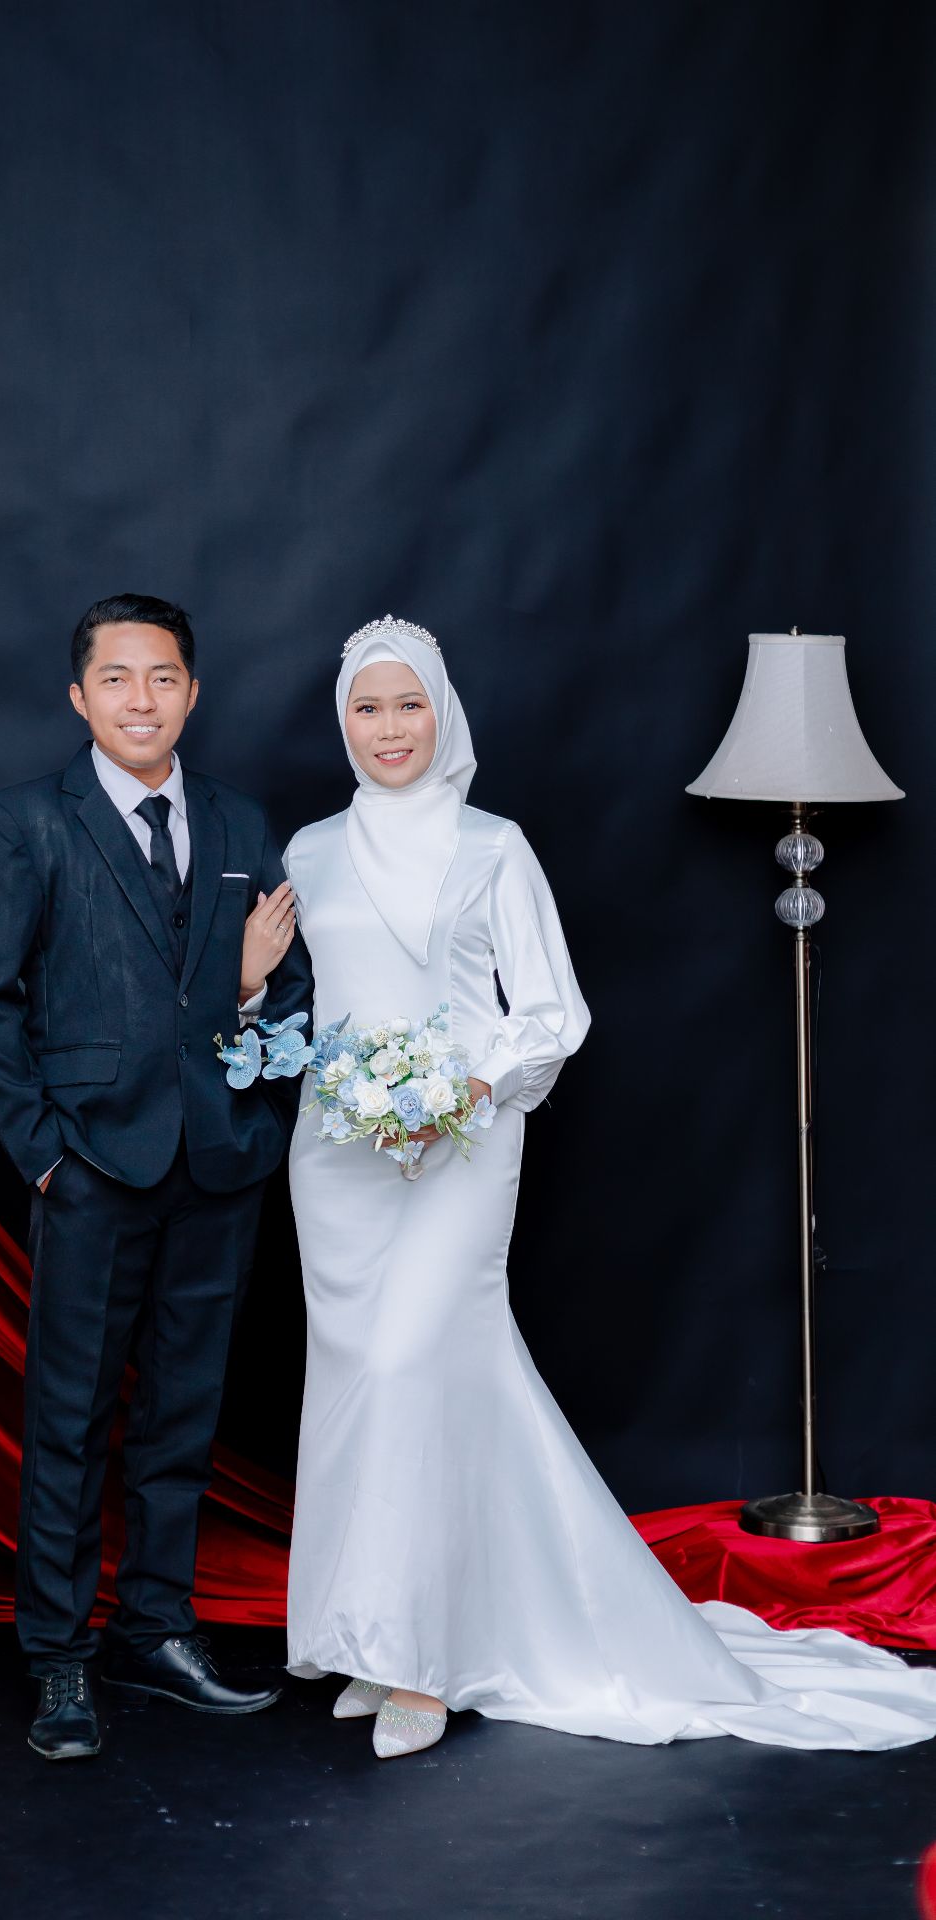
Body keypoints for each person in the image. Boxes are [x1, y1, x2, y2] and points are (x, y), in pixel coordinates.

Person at [270, 612, 936, 1760]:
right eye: (367, 707)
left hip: (464, 1140)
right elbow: (304, 1005)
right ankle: (371, 1637)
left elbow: (551, 1010)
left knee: (414, 1365)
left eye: (408, 703)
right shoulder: (311, 851)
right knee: (360, 1385)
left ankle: (425, 1659)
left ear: (442, 712)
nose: (389, 727)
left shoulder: (493, 845)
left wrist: (466, 1088)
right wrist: (254, 998)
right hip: (339, 1156)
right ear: (344, 722)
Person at [0, 593, 312, 1760]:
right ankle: (59, 1654)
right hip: (92, 1163)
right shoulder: (26, 822)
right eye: (117, 678)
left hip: (219, 1161)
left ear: (192, 694)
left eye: (163, 678)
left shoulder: (241, 820)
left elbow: (289, 990)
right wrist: (47, 1155)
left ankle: (157, 1630)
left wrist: (252, 1009)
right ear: (80, 696)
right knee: (71, 1416)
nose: (141, 699)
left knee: (183, 1414)